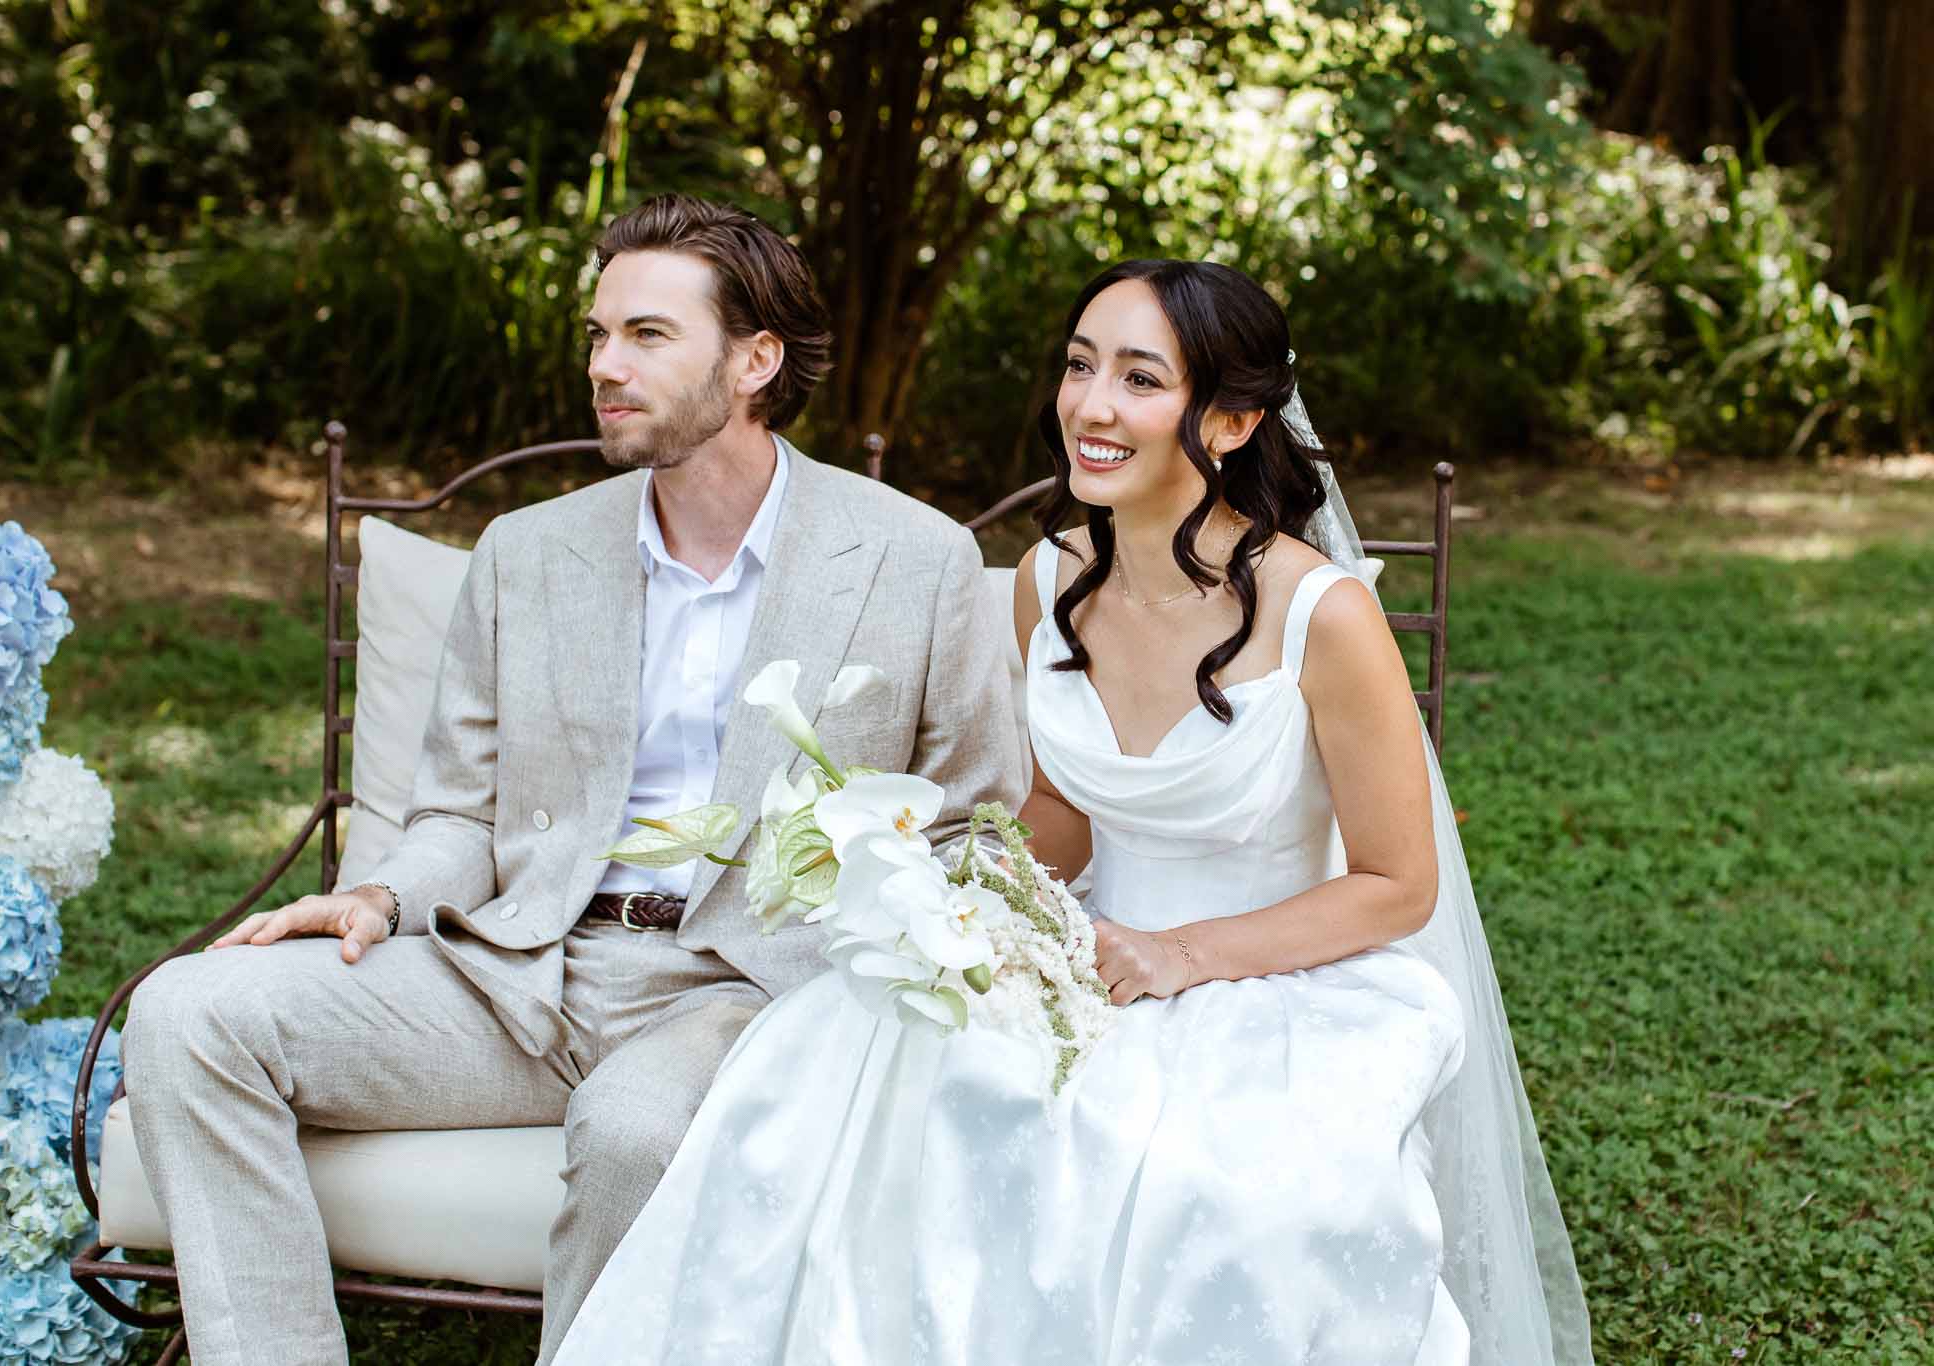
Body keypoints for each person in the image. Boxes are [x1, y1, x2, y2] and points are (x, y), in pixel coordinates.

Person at [551, 259, 1594, 1364]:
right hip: (1078, 954)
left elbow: (1398, 885)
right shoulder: (1045, 578)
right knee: (858, 1091)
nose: (1091, 406)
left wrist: (1180, 953)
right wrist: (924, 881)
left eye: (1141, 380)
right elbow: (1062, 814)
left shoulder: (1319, 615)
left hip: (1279, 978)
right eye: (1078, 365)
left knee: (1218, 1201)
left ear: (1232, 420)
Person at [118, 193, 1025, 1365]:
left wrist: (874, 949)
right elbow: (456, 806)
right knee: (188, 1010)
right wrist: (382, 898)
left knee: (632, 1131)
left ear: (754, 361)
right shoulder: (527, 552)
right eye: (598, 335)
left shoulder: (915, 559)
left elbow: (973, 827)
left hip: (743, 989)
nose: (605, 365)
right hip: (523, 974)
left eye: (647, 335)